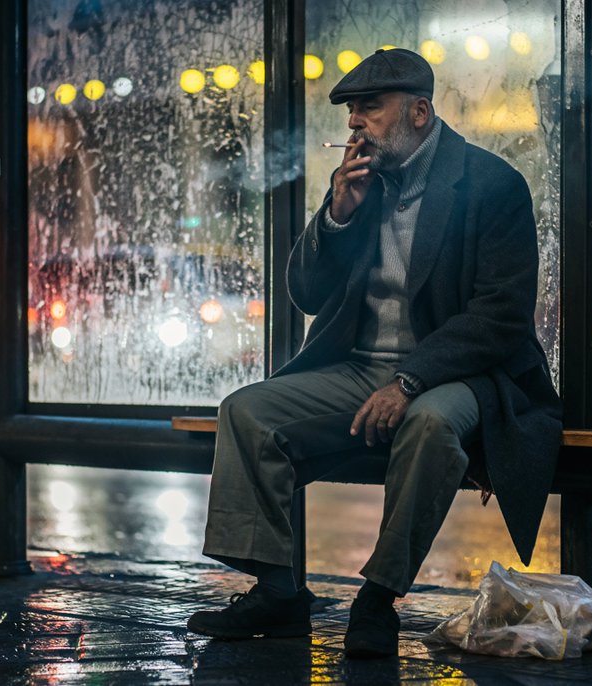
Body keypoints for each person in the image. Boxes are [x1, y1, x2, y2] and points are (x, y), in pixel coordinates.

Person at [186, 48, 562, 658]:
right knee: (246, 411)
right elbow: (305, 293)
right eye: (351, 112)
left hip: (464, 373)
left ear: (419, 111)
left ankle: (377, 599)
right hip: (362, 367)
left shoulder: (492, 185)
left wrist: (410, 380)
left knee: (431, 423)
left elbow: (500, 318)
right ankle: (278, 591)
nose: (356, 123)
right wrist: (336, 216)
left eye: (371, 109)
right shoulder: (362, 186)